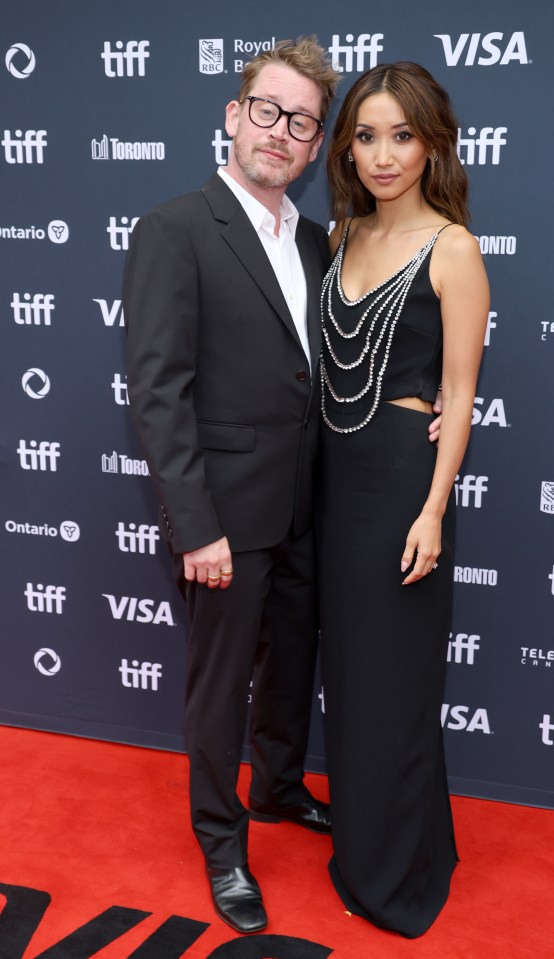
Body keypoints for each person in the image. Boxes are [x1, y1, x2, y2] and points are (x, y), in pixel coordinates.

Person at [123, 38, 340, 935]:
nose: (280, 133)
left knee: (291, 665)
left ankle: (281, 788)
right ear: (232, 113)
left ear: (317, 144)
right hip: (224, 519)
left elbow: (329, 375)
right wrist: (195, 525)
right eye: (267, 110)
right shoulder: (176, 228)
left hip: (304, 505)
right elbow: (159, 390)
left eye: (300, 121)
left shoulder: (320, 240)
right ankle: (222, 841)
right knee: (221, 688)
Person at [319, 62, 489, 938]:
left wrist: (432, 508)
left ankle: (399, 872)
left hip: (399, 489)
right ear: (348, 146)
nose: (383, 154)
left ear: (432, 142)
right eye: (366, 135)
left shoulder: (453, 247)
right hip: (332, 481)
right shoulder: (341, 233)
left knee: (394, 682)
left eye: (402, 135)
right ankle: (363, 845)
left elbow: (459, 392)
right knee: (348, 681)